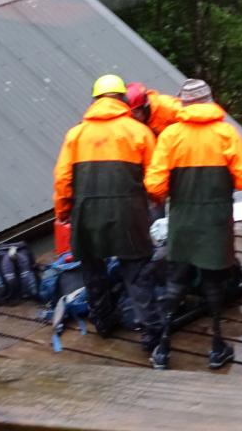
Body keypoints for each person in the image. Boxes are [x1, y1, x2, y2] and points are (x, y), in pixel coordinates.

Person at [144, 78, 242, 370]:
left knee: (176, 281)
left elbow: (154, 185)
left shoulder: (170, 135)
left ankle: (163, 348)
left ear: (183, 104)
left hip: (183, 220)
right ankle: (217, 347)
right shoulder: (226, 134)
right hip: (216, 221)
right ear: (209, 102)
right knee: (213, 283)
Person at [52, 73, 164, 353]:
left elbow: (63, 179)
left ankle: (103, 322)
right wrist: (155, 199)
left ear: (95, 100)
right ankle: (151, 334)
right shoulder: (139, 132)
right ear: (123, 99)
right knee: (137, 273)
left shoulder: (76, 134)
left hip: (87, 216)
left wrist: (63, 211)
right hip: (129, 215)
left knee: (93, 272)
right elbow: (154, 180)